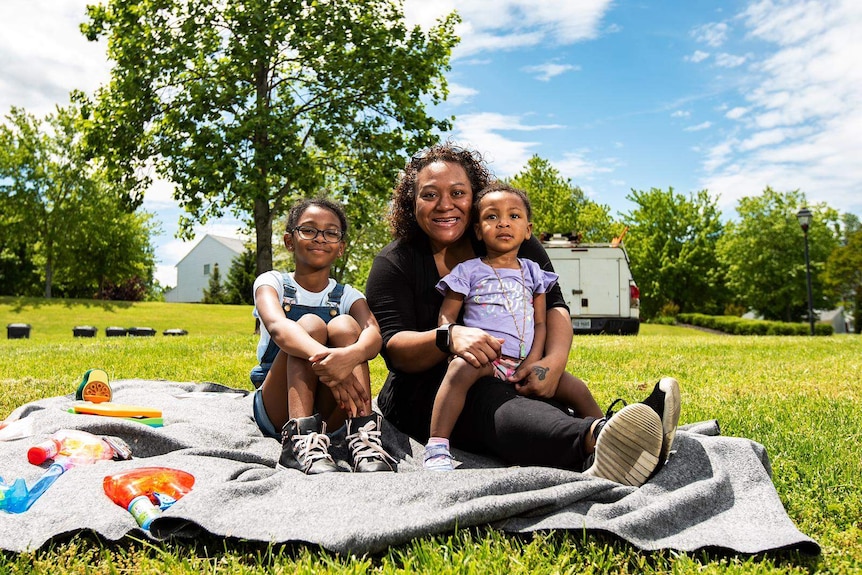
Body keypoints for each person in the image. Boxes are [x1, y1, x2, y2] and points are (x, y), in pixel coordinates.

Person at [366, 142, 681, 486]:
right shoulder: (394, 263)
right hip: (428, 391)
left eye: (458, 192)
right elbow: (394, 348)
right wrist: (449, 336)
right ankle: (598, 440)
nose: (445, 205)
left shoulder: (512, 242)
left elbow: (554, 305)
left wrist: (552, 362)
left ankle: (619, 429)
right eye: (429, 195)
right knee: (493, 401)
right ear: (412, 203)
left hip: (512, 366)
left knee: (541, 398)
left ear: (475, 197)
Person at [426, 182, 591, 470]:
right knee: (459, 370)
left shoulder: (533, 272)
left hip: (526, 363)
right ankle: (437, 446)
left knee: (576, 388)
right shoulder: (468, 271)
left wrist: (535, 361)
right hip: (489, 358)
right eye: (492, 217)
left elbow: (541, 323)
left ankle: (607, 432)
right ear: (478, 230)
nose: (503, 222)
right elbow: (447, 317)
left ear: (528, 230)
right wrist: (454, 341)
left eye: (514, 216)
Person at [250, 197, 394, 474]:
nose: (320, 238)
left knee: (346, 327)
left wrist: (347, 357)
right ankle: (299, 440)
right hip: (278, 405)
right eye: (309, 230)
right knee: (310, 325)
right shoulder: (272, 283)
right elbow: (279, 328)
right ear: (289, 241)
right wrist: (329, 362)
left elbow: (373, 335)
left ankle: (363, 436)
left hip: (333, 407)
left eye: (331, 233)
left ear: (340, 248)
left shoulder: (348, 295)